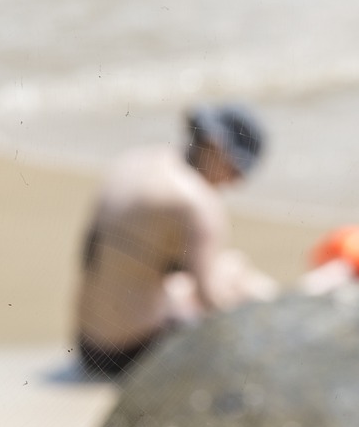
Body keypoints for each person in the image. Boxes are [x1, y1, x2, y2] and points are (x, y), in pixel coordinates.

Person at [74, 103, 277, 377]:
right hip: (130, 355)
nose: (233, 185)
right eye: (236, 171)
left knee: (224, 269)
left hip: (88, 347)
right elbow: (211, 304)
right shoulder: (196, 204)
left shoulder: (136, 162)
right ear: (216, 148)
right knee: (236, 276)